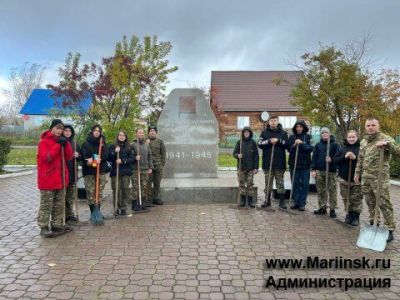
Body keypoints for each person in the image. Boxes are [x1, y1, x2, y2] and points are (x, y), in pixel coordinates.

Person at [354, 118, 400, 242]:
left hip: (380, 178)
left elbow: (398, 151)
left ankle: (389, 229)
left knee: (384, 203)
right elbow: (360, 159)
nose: (370, 127)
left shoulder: (385, 138)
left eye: (373, 125)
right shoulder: (363, 141)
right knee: (370, 203)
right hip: (366, 178)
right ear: (365, 127)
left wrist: (387, 145)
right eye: (368, 125)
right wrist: (357, 173)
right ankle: (374, 223)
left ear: (378, 126)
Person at [37, 119, 73, 237]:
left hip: (61, 179)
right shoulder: (43, 142)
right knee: (47, 205)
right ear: (51, 128)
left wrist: (66, 143)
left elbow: (69, 156)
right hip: (48, 179)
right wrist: (57, 145)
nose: (59, 131)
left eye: (61, 129)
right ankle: (44, 227)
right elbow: (47, 158)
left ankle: (57, 225)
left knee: (59, 204)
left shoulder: (62, 141)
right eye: (57, 128)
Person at [258, 116, 289, 209]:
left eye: (275, 120)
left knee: (280, 183)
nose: (273, 122)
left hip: (280, 163)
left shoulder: (283, 133)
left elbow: (287, 144)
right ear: (269, 122)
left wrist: (278, 140)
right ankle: (267, 201)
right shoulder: (264, 133)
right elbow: (259, 144)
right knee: (268, 183)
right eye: (271, 120)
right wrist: (269, 141)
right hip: (267, 163)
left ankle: (282, 202)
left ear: (278, 122)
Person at [333, 130, 362, 226]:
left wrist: (355, 158)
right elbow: (335, 160)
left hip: (357, 179)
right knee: (346, 198)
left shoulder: (361, 148)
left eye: (353, 137)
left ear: (357, 138)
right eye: (350, 137)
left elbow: (365, 162)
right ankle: (348, 214)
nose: (351, 139)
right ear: (347, 138)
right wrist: (344, 157)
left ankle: (356, 216)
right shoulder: (342, 148)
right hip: (344, 178)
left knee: (356, 199)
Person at [81, 124, 109, 215]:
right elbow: (84, 157)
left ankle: (98, 212)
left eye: (98, 131)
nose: (97, 132)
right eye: (95, 130)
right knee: (91, 192)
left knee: (99, 192)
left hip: (100, 171)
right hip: (89, 172)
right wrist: (93, 160)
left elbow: (106, 154)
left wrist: (100, 159)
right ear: (92, 132)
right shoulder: (86, 143)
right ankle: (93, 213)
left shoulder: (102, 143)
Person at [311, 127, 340, 217]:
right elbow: (314, 158)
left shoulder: (334, 145)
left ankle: (332, 209)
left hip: (331, 172)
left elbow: (339, 156)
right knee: (321, 190)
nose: (324, 134)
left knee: (332, 190)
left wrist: (332, 159)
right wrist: (313, 169)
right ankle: (322, 207)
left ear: (329, 134)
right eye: (322, 133)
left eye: (326, 132)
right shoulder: (318, 145)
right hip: (320, 171)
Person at [288, 120, 313, 211]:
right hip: (293, 164)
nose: (299, 129)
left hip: (305, 165)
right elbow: (289, 149)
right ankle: (296, 202)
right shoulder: (291, 137)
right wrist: (294, 144)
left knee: (305, 184)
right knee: (295, 184)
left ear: (304, 128)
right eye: (297, 127)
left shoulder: (308, 137)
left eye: (301, 127)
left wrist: (302, 143)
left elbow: (310, 149)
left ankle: (302, 203)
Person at [108, 131, 134, 216]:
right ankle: (116, 208)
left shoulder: (129, 147)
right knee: (116, 190)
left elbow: (132, 159)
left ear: (125, 137)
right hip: (115, 172)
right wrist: (115, 152)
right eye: (120, 135)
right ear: (117, 136)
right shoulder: (113, 146)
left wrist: (122, 161)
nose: (121, 136)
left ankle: (123, 207)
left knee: (125, 190)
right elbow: (109, 158)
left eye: (123, 135)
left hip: (125, 172)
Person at [233, 127, 259, 208]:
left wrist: (256, 167)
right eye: (245, 132)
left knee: (250, 183)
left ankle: (250, 201)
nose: (246, 133)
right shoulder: (239, 142)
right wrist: (238, 155)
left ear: (250, 133)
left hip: (250, 168)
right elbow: (234, 153)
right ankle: (243, 200)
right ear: (243, 133)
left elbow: (256, 156)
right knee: (241, 183)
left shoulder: (253, 142)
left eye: (248, 132)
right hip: (241, 167)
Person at [131, 128, 153, 211]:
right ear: (136, 134)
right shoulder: (132, 144)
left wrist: (150, 167)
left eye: (142, 133)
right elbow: (130, 156)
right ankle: (134, 204)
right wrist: (134, 158)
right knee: (136, 187)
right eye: (139, 133)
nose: (141, 134)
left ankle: (142, 203)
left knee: (143, 186)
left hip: (145, 168)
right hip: (135, 169)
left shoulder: (146, 144)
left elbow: (150, 156)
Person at [63, 124, 81, 224]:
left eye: (69, 131)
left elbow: (81, 157)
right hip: (62, 174)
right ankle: (62, 216)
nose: (67, 133)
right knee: (62, 197)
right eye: (65, 131)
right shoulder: (61, 143)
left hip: (72, 173)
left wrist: (78, 155)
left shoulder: (75, 144)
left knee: (70, 197)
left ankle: (70, 214)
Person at [147, 126, 166, 205]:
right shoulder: (145, 141)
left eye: (154, 131)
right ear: (148, 133)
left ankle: (156, 198)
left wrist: (162, 164)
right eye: (151, 131)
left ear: (156, 132)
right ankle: (148, 199)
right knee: (148, 183)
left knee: (157, 183)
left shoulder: (160, 142)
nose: (152, 132)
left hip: (158, 166)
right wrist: (146, 144)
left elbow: (163, 153)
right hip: (148, 166)